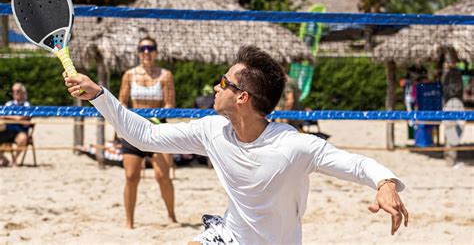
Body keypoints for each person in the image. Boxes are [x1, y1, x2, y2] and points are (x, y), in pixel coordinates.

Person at [65, 45, 409, 244]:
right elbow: (145, 137)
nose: (216, 88)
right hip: (228, 237)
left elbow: (358, 164)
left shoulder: (292, 146)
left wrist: (385, 182)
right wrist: (98, 94)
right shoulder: (213, 129)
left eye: (223, 83)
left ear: (242, 97)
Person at [117, 36, 177, 228]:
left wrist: (157, 116)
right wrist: (120, 125)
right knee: (131, 177)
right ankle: (129, 222)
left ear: (156, 52)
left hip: (157, 128)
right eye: (143, 48)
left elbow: (170, 104)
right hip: (133, 128)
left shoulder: (165, 75)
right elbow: (121, 103)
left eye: (150, 48)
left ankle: (171, 216)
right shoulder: (129, 75)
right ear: (138, 52)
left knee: (162, 176)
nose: (146, 52)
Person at [0, 83, 31, 167]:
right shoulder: (9, 103)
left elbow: (21, 118)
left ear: (23, 92)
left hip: (20, 131)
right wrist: (15, 117)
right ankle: (4, 159)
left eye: (18, 91)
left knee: (23, 138)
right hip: (7, 130)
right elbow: (2, 116)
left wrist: (8, 117)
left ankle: (14, 160)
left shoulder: (26, 104)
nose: (15, 93)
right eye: (14, 91)